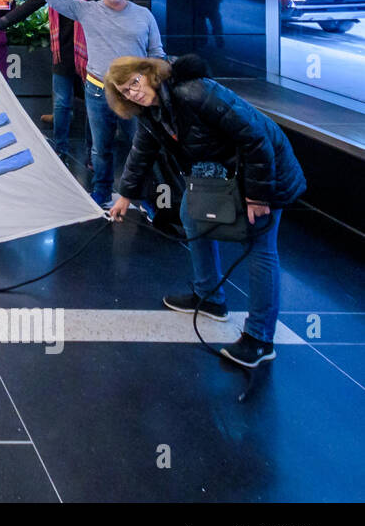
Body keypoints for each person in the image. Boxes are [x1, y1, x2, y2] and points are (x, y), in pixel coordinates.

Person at [106, 55, 306, 368]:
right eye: (125, 91)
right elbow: (141, 152)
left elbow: (256, 138)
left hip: (266, 172)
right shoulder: (150, 112)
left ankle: (260, 338)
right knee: (190, 218)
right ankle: (210, 298)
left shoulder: (194, 91)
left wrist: (257, 195)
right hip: (218, 175)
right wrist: (125, 196)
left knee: (260, 249)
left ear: (149, 73)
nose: (134, 92)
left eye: (135, 82)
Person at [0, 0, 170, 161]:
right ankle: (60, 151)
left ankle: (93, 157)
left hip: (93, 56)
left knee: (97, 114)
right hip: (63, 52)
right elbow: (32, 4)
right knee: (62, 104)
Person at [29, 0, 166, 207]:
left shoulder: (144, 15)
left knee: (141, 146)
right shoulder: (86, 9)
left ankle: (143, 197)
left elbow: (157, 53)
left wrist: (148, 83)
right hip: (97, 90)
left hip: (134, 94)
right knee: (100, 148)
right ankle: (101, 193)